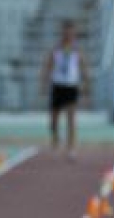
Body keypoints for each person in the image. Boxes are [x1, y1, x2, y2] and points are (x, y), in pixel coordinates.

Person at [41, 20, 88, 161]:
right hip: (58, 86)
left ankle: (71, 148)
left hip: (71, 86)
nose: (68, 35)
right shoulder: (55, 50)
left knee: (71, 119)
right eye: (66, 32)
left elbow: (83, 68)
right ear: (62, 33)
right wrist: (44, 84)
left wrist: (86, 85)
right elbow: (48, 67)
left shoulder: (77, 51)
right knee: (53, 120)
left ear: (74, 34)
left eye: (71, 32)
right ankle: (55, 137)